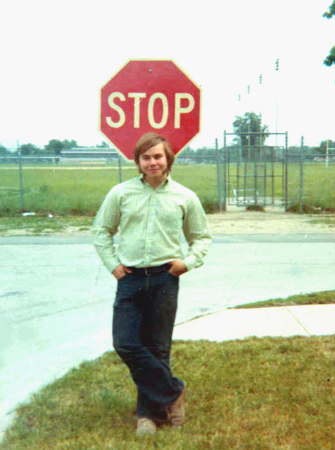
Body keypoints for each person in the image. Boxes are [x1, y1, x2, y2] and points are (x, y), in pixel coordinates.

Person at [92, 132, 211, 436]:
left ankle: (147, 415)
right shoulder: (121, 193)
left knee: (158, 348)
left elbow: (202, 237)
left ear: (168, 159)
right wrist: (114, 267)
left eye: (158, 156)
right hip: (129, 279)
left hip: (164, 278)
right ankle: (174, 393)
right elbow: (101, 231)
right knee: (126, 343)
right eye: (146, 157)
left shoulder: (185, 196)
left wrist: (187, 262)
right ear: (138, 162)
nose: (152, 162)